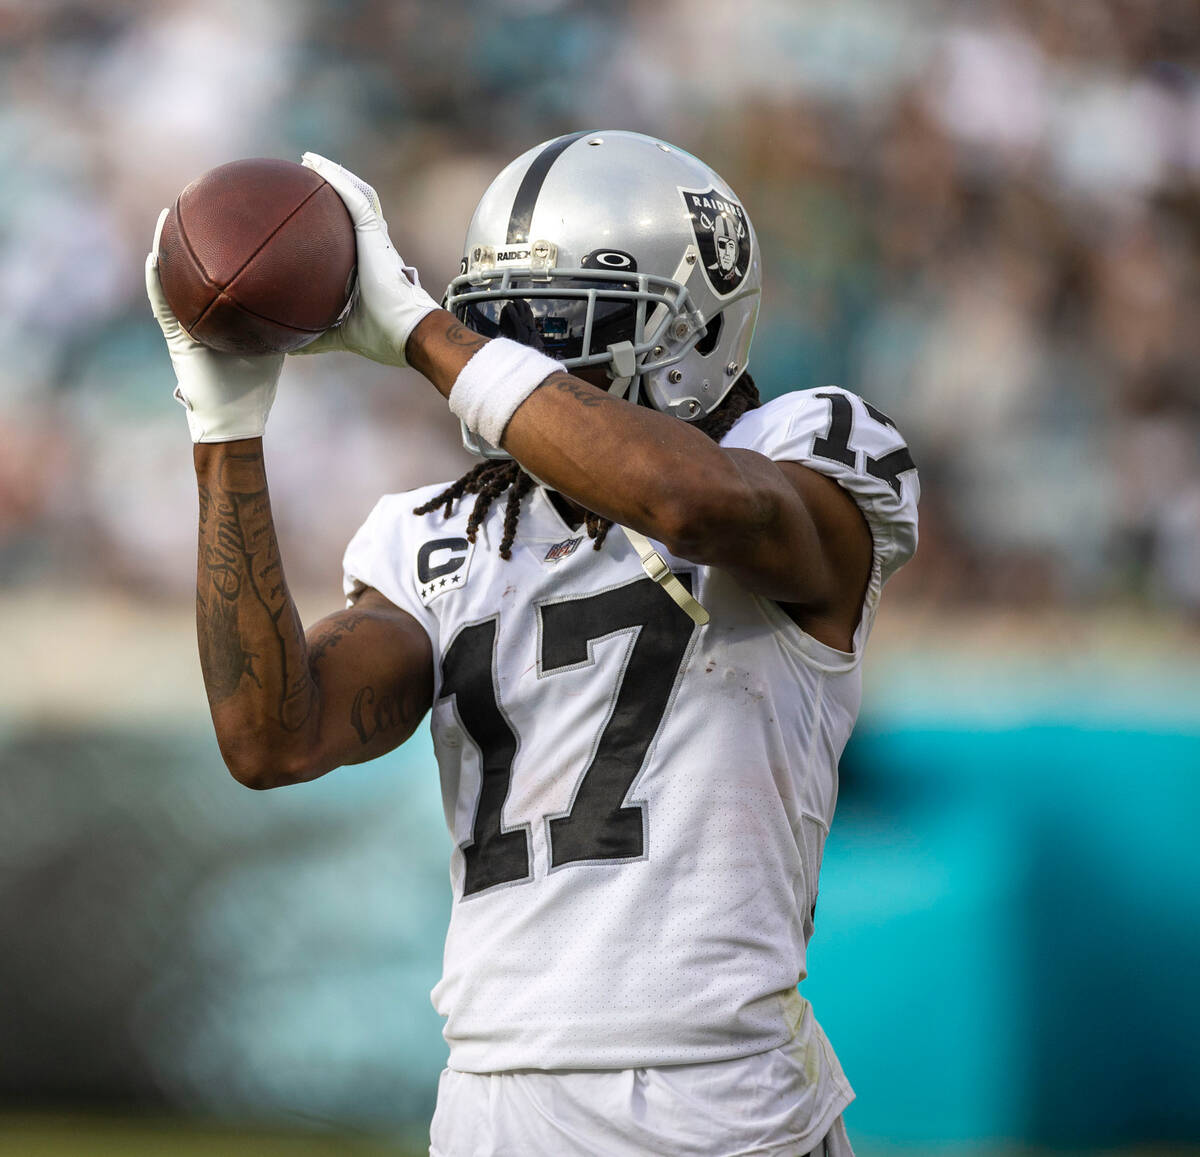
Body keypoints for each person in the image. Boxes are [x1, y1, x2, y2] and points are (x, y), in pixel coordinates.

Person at [146, 129, 918, 1157]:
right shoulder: (437, 533)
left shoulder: (806, 447)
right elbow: (273, 739)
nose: (519, 352)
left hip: (718, 1102)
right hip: (490, 1096)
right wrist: (224, 427)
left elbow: (687, 501)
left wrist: (423, 330)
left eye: (553, 323)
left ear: (694, 323)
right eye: (495, 322)